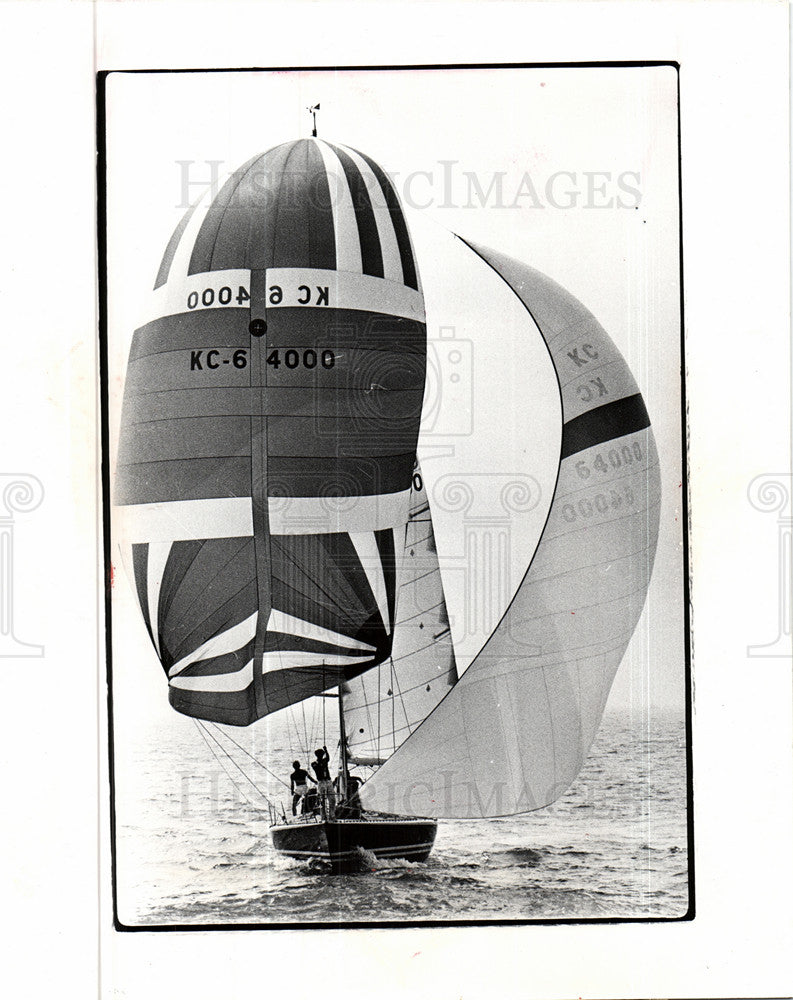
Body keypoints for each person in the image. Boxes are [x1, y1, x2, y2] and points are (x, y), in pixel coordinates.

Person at [312, 746, 336, 818]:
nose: (321, 756)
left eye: (322, 755)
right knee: (322, 800)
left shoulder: (324, 761)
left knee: (332, 799)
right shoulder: (314, 763)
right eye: (320, 755)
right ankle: (323, 815)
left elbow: (328, 758)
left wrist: (326, 750)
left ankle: (332, 814)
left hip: (328, 780)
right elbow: (317, 768)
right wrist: (322, 763)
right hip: (321, 782)